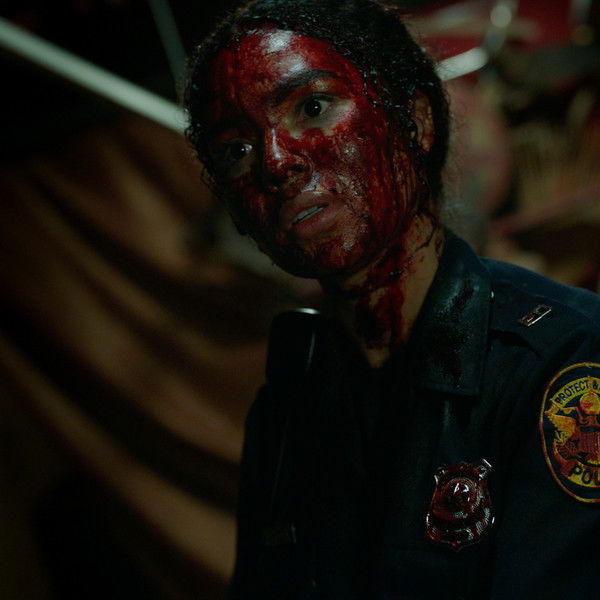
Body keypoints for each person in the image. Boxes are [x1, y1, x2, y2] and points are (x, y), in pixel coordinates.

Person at [184, 1, 600, 597]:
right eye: (236, 149)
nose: (274, 161)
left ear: (416, 123)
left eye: (312, 107)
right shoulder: (288, 408)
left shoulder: (561, 358)